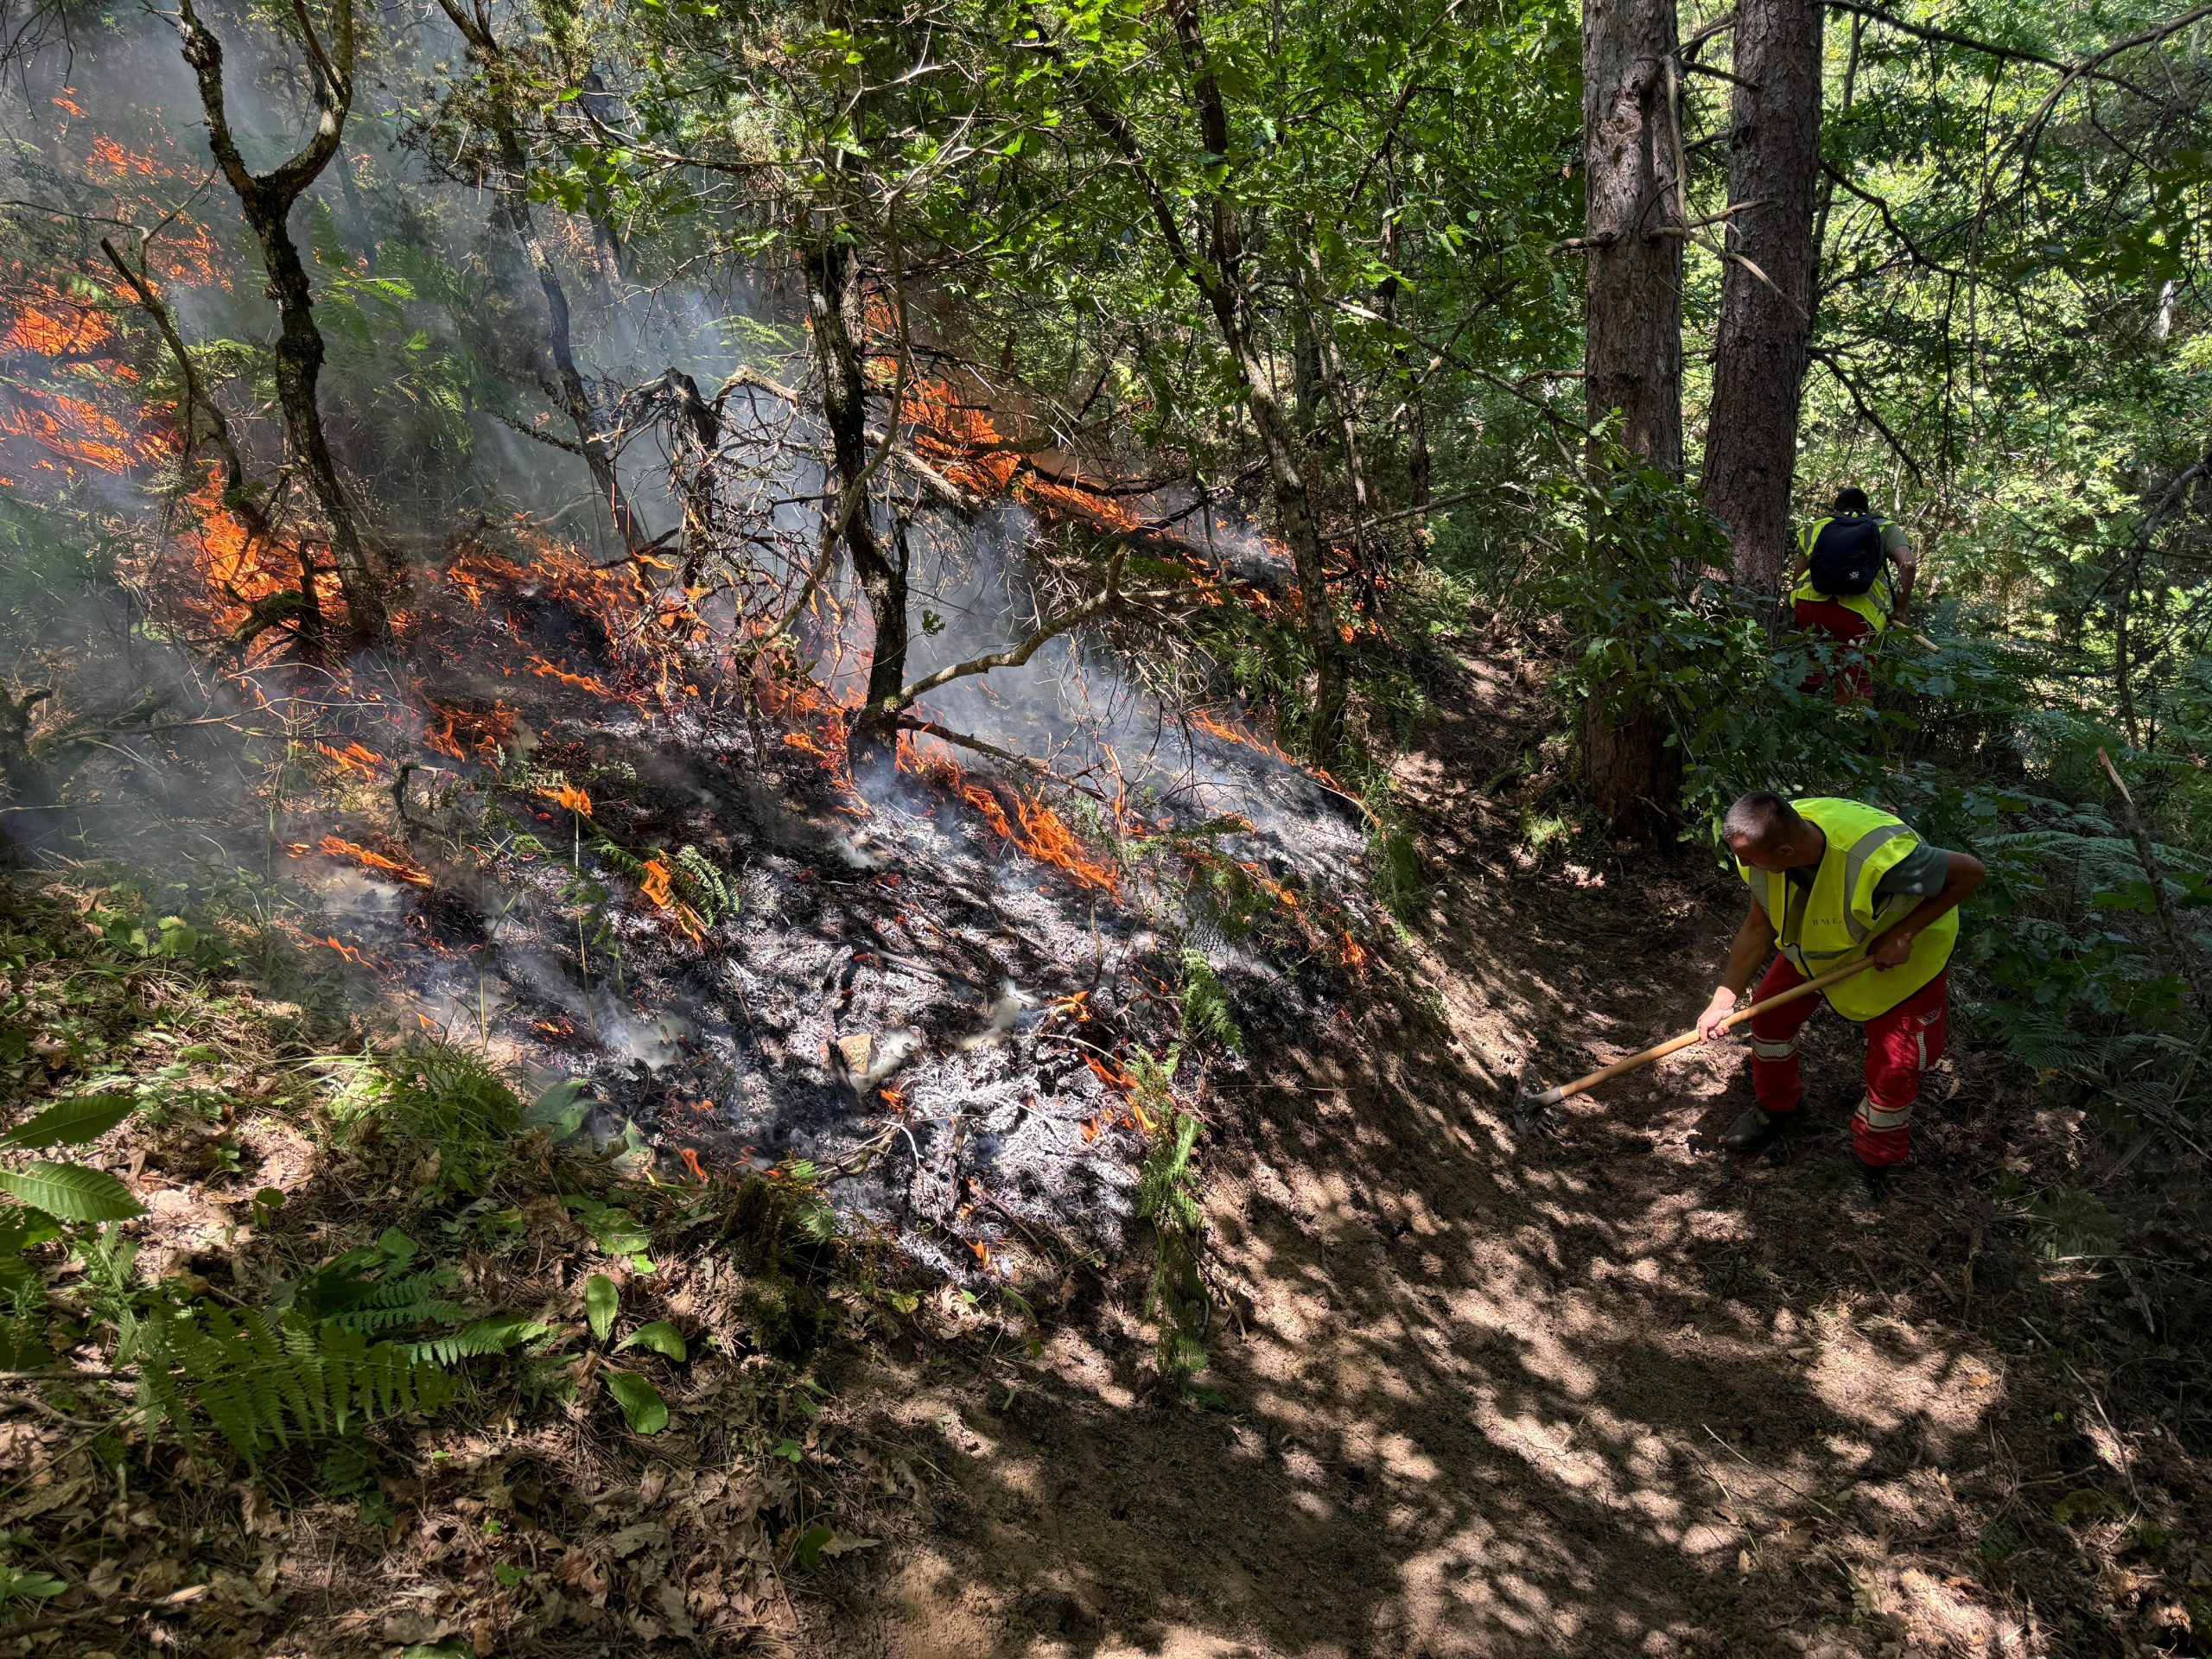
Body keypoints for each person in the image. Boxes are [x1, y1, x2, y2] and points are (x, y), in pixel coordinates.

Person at [1695, 791, 1984, 1197]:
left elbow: (1970, 872)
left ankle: (1874, 1161)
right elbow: (1759, 926)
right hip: (1823, 947)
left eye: (1749, 859)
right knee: (1769, 1017)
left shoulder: (1882, 862)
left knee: (1895, 1067)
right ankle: (1777, 1107)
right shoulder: (1765, 842)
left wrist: (1905, 934)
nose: (1742, 865)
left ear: (1784, 851)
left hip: (1903, 963)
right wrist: (1723, 999)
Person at [1790, 487, 1916, 702]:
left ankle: (1797, 716)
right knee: (1854, 682)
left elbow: (1799, 573)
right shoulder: (1884, 526)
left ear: (1836, 510)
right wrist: (1899, 610)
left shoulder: (1817, 527)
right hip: (1858, 615)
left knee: (1809, 670)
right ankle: (1848, 721)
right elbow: (1909, 564)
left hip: (1810, 608)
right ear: (1867, 509)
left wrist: (1798, 607)